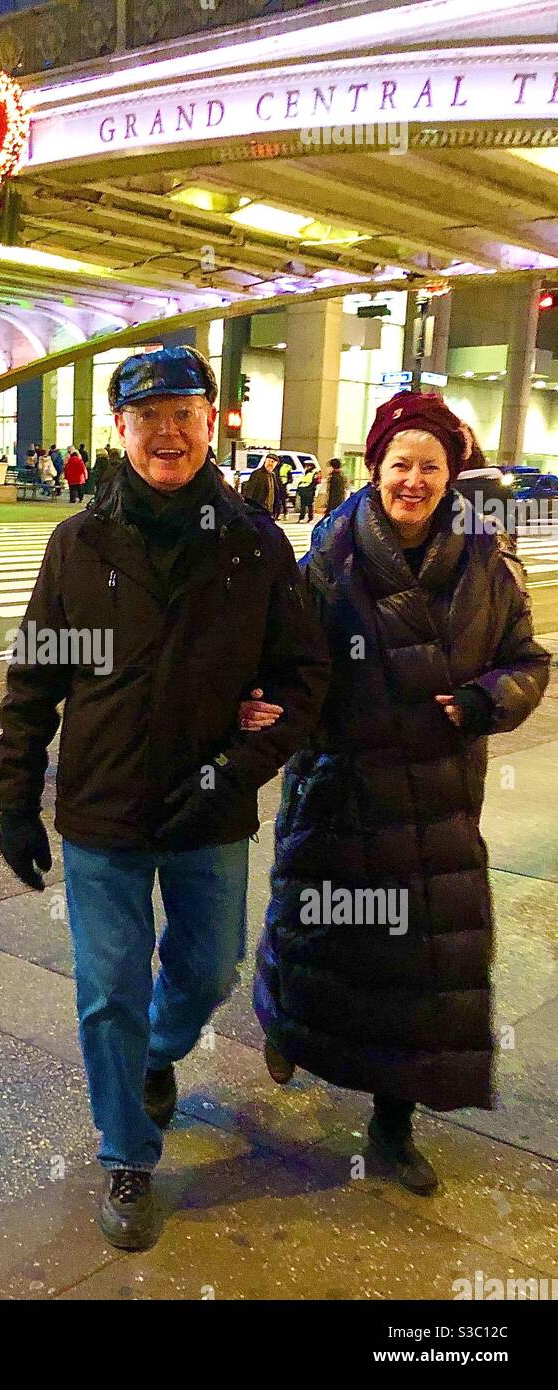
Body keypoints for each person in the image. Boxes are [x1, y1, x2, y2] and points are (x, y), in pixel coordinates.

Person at [0, 345, 330, 1251]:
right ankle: (127, 1157)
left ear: (211, 421)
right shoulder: (79, 543)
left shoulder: (255, 543)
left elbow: (303, 680)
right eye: (148, 418)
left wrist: (240, 763)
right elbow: (34, 678)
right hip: (102, 811)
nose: (167, 432)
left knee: (206, 970)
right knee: (108, 988)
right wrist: (14, 797)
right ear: (120, 432)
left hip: (209, 810)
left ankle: (156, 1055)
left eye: (184, 413)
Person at [254, 391, 550, 1196]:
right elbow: (289, 664)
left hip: (439, 799)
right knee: (312, 931)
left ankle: (393, 1123)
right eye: (399, 465)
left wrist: (492, 698)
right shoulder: (326, 563)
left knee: (423, 968)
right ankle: (282, 1020)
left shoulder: (486, 567)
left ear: (449, 474)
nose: (412, 481)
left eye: (429, 467)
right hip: (339, 786)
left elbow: (527, 658)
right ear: (374, 469)